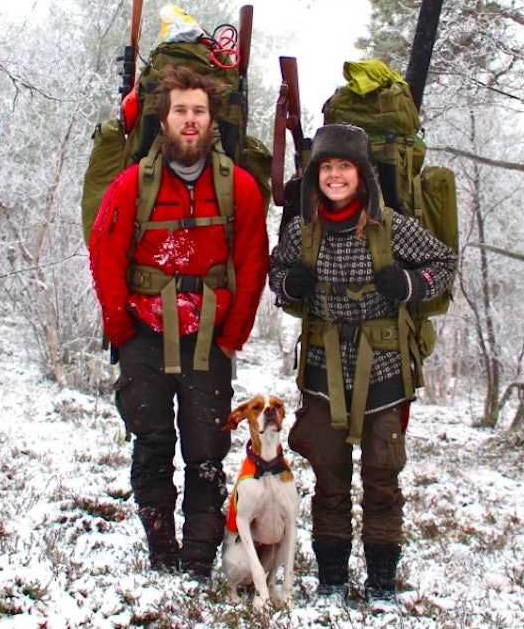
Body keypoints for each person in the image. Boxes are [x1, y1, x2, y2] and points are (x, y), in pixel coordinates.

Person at [89, 64, 270, 580]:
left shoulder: (240, 188)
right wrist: (120, 329)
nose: (189, 121)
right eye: (180, 111)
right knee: (150, 441)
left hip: (210, 337)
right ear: (163, 119)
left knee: (206, 450)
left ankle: (197, 558)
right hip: (143, 333)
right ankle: (161, 547)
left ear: (213, 121)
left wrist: (231, 336)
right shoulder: (131, 185)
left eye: (199, 111)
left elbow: (253, 263)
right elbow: (105, 254)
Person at [268, 123, 457, 603]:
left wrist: (411, 286)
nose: (335, 175)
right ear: (316, 177)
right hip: (320, 366)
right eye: (327, 167)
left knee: (381, 477)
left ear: (363, 175)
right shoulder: (301, 231)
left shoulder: (392, 227)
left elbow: (445, 262)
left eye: (345, 166)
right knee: (329, 477)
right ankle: (331, 579)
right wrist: (292, 285)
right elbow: (276, 272)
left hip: (385, 367)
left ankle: (381, 583)